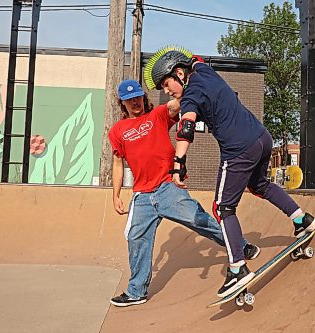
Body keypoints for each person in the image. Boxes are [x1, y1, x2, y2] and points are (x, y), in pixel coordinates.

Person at [143, 46, 315, 298]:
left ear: (180, 73)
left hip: (239, 151)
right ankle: (302, 219)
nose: (166, 91)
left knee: (223, 208)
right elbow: (195, 59)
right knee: (259, 186)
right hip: (262, 138)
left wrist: (178, 163)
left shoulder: (191, 94)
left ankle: (237, 268)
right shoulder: (205, 71)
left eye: (166, 83)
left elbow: (186, 127)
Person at [108, 79, 261, 307]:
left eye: (138, 97)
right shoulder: (117, 131)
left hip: (167, 186)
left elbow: (179, 102)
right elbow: (118, 164)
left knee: (199, 220)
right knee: (135, 238)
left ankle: (241, 246)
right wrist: (116, 195)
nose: (135, 102)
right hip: (141, 195)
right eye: (129, 100)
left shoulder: (158, 114)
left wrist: (193, 80)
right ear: (122, 103)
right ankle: (136, 291)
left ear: (143, 97)